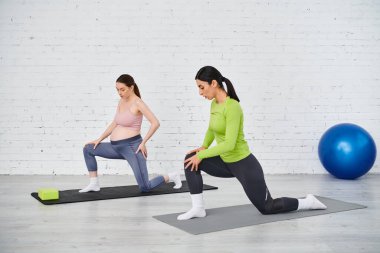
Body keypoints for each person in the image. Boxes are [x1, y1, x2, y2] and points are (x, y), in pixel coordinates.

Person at [178, 66, 326, 220]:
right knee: (190, 160)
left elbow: (229, 144)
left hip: (243, 164)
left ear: (213, 83)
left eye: (202, 87)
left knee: (268, 207)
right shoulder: (214, 104)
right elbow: (211, 128)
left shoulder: (233, 107)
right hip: (224, 162)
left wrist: (202, 154)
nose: (200, 92)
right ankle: (198, 209)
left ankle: (308, 202)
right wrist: (204, 147)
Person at [80, 74, 182, 193]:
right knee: (88, 149)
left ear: (131, 87)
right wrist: (99, 139)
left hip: (133, 148)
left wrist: (143, 143)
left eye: (122, 89)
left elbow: (155, 123)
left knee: (145, 187)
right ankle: (94, 184)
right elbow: (115, 122)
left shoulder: (138, 103)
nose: (119, 92)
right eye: (117, 89)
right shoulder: (121, 101)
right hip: (116, 147)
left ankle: (172, 176)